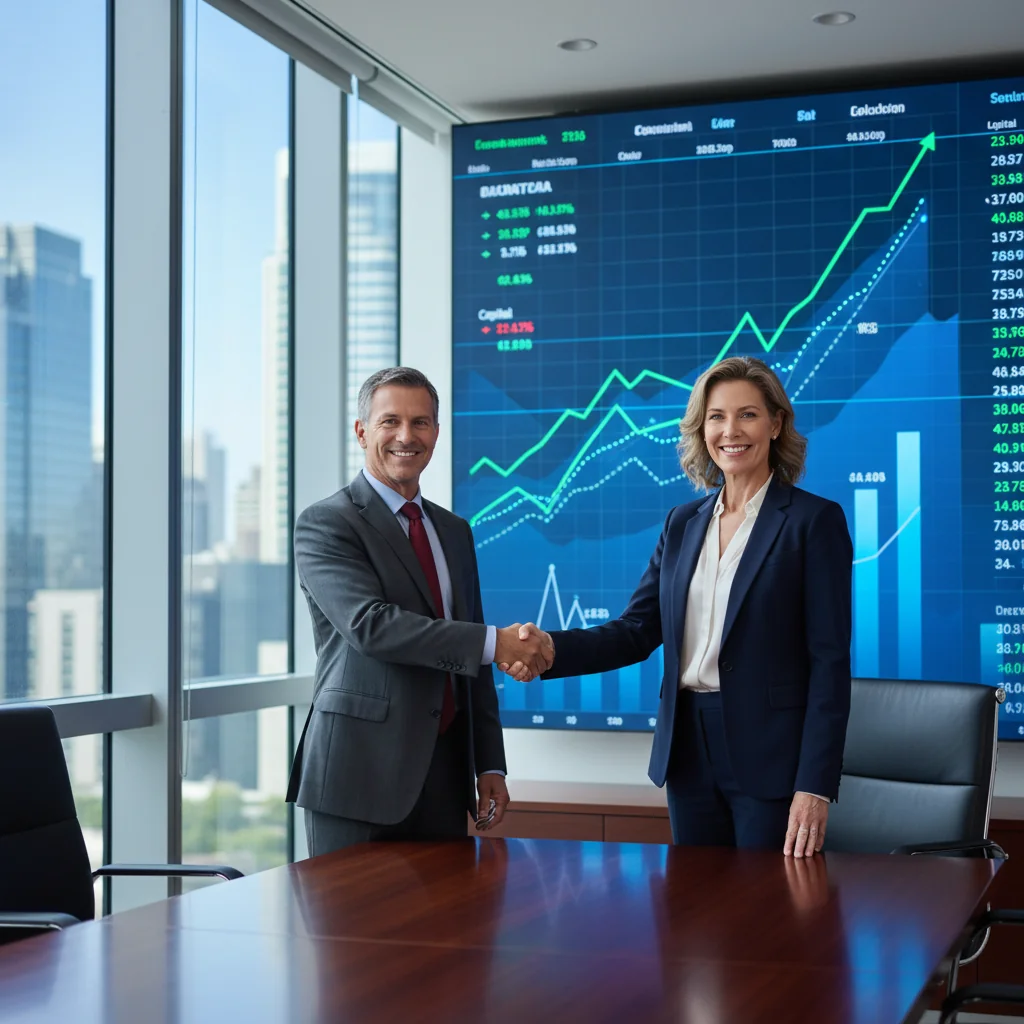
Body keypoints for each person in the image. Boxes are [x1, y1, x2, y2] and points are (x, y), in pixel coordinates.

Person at [503, 356, 852, 857]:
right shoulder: (682, 522)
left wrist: (815, 785)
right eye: (716, 416)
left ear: (776, 424)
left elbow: (830, 663)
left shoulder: (813, 522)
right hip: (687, 750)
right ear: (701, 428)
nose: (730, 430)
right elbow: (637, 630)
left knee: (768, 918)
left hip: (772, 756)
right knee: (696, 919)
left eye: (748, 414)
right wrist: (551, 649)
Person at [287, 367, 553, 855]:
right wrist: (498, 643)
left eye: (422, 423)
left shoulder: (454, 531)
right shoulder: (327, 523)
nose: (407, 437)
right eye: (390, 422)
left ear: (436, 431)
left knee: (445, 929)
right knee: (348, 930)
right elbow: (372, 627)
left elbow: (470, 656)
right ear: (362, 431)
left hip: (444, 773)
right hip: (358, 776)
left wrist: (489, 764)